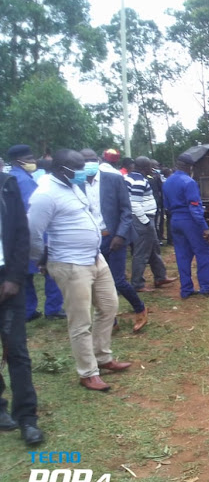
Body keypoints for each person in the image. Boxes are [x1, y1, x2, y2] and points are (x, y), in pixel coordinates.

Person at [28, 149, 130, 390]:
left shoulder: (72, 186)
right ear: (61, 169)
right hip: (70, 263)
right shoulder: (45, 194)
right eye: (77, 168)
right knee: (80, 320)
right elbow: (32, 232)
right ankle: (87, 372)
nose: (83, 172)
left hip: (95, 258)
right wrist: (41, 259)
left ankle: (102, 357)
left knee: (109, 306)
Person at [79, 149, 148, 332]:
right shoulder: (76, 184)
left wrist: (120, 235)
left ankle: (140, 308)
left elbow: (126, 210)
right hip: (91, 241)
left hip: (115, 238)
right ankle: (111, 319)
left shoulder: (114, 179)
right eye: (84, 160)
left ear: (99, 160)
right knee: (97, 283)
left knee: (117, 280)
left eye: (92, 159)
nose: (88, 163)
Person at [0, 168, 44, 444]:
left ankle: (27, 418)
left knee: (17, 351)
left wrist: (15, 277)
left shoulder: (7, 185)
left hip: (7, 281)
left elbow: (20, 232)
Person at [8, 145, 65, 321]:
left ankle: (28, 310)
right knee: (50, 270)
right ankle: (53, 308)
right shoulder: (24, 181)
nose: (34, 162)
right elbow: (31, 209)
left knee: (25, 275)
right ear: (19, 160)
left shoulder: (11, 177)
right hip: (32, 232)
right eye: (30, 159)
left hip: (16, 235)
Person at [162, 153, 209, 297]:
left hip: (175, 220)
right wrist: (205, 227)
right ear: (189, 166)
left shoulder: (168, 182)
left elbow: (166, 205)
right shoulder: (189, 182)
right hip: (189, 220)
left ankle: (186, 289)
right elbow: (195, 208)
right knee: (204, 252)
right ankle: (207, 287)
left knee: (182, 255)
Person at [125, 156, 175, 292]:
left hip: (144, 219)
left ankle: (160, 276)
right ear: (144, 168)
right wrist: (146, 221)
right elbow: (134, 204)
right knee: (141, 252)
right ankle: (137, 283)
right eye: (149, 167)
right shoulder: (139, 181)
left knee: (153, 248)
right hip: (143, 219)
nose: (152, 170)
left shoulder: (129, 177)